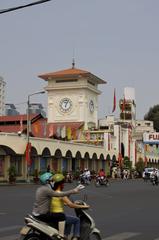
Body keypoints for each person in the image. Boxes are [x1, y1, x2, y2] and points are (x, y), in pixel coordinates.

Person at [51, 173, 89, 240]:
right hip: (59, 216)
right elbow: (71, 205)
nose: (64, 185)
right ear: (60, 184)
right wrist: (84, 207)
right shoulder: (60, 193)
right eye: (63, 183)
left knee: (70, 221)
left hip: (52, 215)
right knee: (76, 220)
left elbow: (60, 202)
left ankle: (65, 236)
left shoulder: (52, 192)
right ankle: (75, 238)